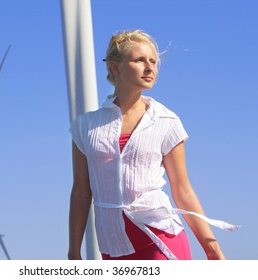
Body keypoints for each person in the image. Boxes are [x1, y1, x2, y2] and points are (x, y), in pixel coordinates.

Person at [68, 30, 239, 260]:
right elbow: (81, 191)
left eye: (153, 61)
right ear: (115, 67)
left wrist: (212, 248)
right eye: (140, 60)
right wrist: (74, 251)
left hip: (160, 240)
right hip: (112, 247)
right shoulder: (85, 126)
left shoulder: (167, 121)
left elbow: (183, 190)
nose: (150, 68)